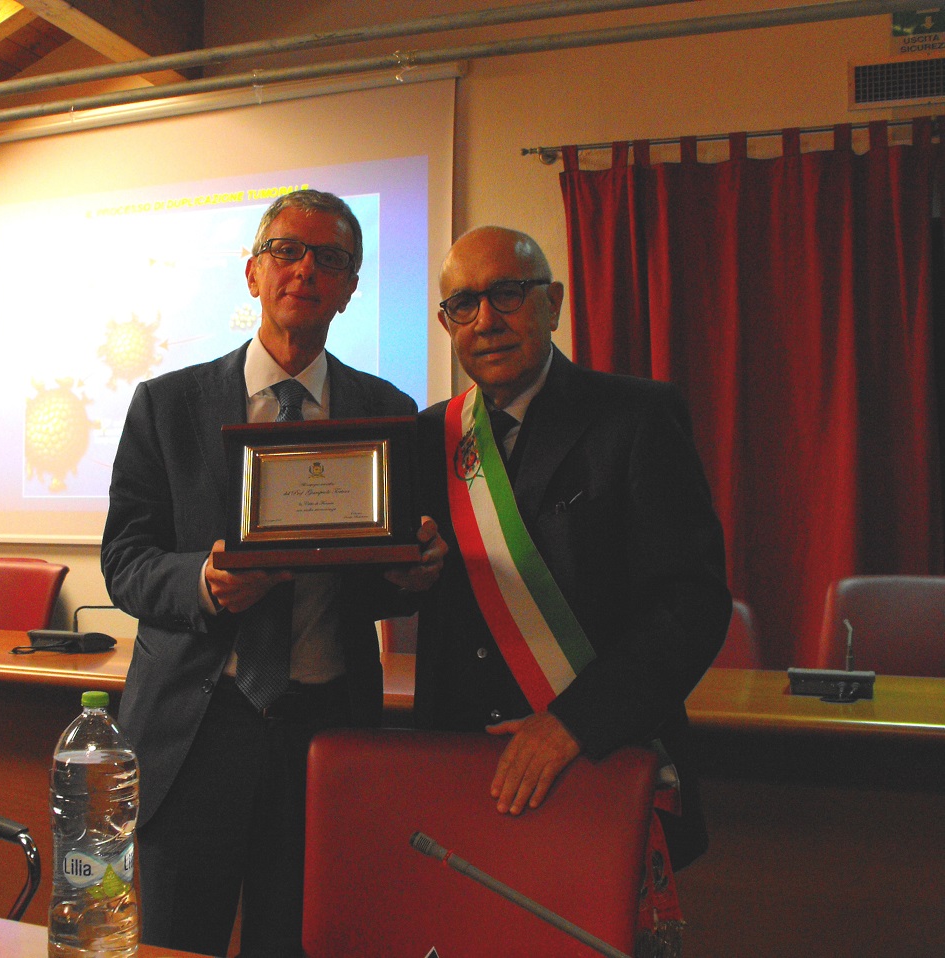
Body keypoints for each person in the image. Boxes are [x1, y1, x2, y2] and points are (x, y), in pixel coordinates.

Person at [102, 189, 445, 958]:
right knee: (174, 944)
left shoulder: (386, 410)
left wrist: (414, 571)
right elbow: (124, 561)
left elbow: (383, 571)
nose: (304, 270)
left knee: (297, 944)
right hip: (196, 730)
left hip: (325, 728)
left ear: (350, 289)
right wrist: (204, 582)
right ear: (252, 272)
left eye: (330, 259)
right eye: (286, 251)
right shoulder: (166, 404)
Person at [415, 226, 729, 945]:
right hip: (464, 772)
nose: (486, 320)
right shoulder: (432, 436)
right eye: (463, 304)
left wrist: (573, 724)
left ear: (552, 303)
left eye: (507, 294)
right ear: (446, 323)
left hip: (597, 759)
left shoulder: (636, 416)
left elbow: (691, 603)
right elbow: (412, 590)